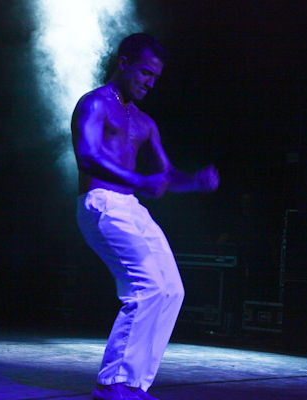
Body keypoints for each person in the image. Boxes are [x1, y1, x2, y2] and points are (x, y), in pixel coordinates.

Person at [71, 33, 219, 400]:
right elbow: (87, 156)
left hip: (131, 206)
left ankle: (134, 384)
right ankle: (111, 384)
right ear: (124, 63)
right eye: (145, 73)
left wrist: (195, 182)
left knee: (172, 290)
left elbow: (164, 176)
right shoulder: (94, 103)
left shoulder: (145, 122)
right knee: (146, 288)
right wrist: (139, 180)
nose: (150, 83)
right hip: (100, 202)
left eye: (156, 77)